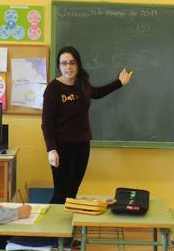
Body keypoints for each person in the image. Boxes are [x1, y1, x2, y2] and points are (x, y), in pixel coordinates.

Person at [41, 45, 132, 204]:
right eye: (64, 63)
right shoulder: (53, 88)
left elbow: (97, 93)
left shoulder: (81, 85)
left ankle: (68, 227)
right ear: (59, 66)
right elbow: (46, 124)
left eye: (72, 62)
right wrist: (51, 149)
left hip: (82, 145)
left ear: (78, 65)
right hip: (61, 148)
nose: (68, 67)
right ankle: (51, 228)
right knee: (61, 194)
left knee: (72, 193)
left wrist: (120, 83)